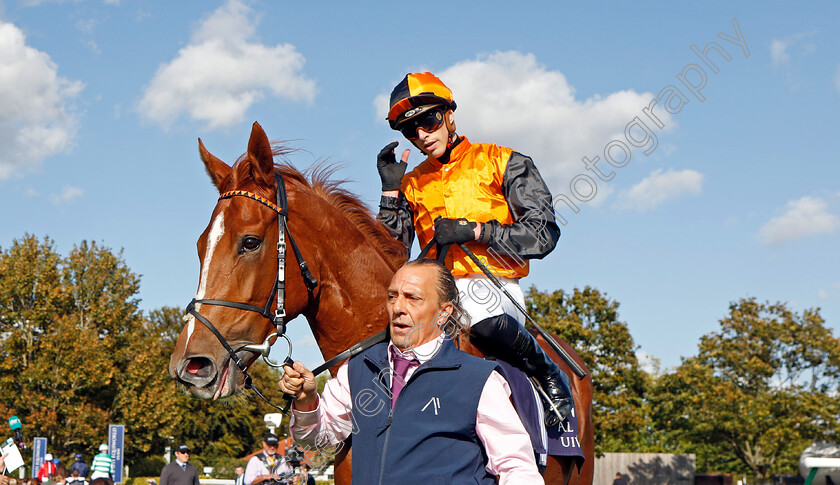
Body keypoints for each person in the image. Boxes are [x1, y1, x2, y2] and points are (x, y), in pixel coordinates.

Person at [376, 71, 573, 423]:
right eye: (411, 130)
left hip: (493, 290)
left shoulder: (505, 160)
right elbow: (390, 256)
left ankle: (548, 375)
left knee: (480, 322)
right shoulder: (411, 183)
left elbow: (544, 235)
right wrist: (390, 194)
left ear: (449, 115)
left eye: (429, 120)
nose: (422, 134)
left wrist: (477, 231)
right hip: (432, 294)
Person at [280, 258, 544, 484]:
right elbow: (317, 441)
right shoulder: (358, 369)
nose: (397, 308)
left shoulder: (479, 378)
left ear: (443, 313)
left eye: (412, 298)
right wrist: (306, 402)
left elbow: (517, 467)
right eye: (392, 296)